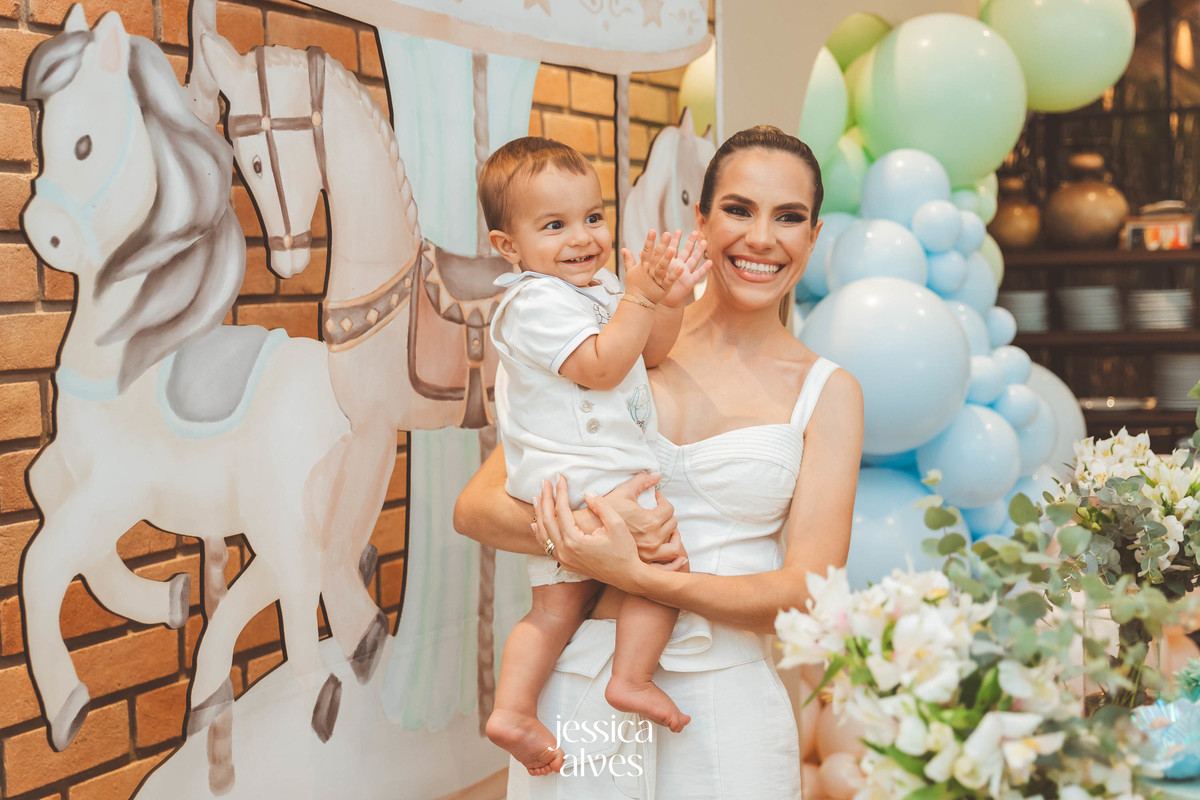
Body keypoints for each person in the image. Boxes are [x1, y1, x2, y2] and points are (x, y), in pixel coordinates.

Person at [455, 126, 863, 799]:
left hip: (726, 706)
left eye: (789, 217)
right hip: (581, 689)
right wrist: (591, 535)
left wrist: (643, 576)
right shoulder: (619, 343)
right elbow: (476, 509)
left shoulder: (828, 391)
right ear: (700, 220)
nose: (762, 238)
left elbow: (807, 596)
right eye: (738, 209)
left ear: (813, 236)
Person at [477, 137, 711, 776]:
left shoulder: (597, 287)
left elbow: (649, 354)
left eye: (593, 217)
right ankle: (631, 677)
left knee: (557, 606)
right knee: (666, 565)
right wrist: (638, 298)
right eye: (554, 226)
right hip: (585, 476)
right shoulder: (534, 302)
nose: (582, 238)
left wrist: (666, 301)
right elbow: (602, 367)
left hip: (575, 480)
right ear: (508, 246)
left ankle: (513, 711)